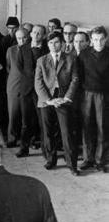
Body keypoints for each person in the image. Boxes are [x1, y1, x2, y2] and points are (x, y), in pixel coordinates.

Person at [35, 31, 80, 175]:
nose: (53, 46)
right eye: (50, 43)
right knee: (48, 132)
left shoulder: (71, 59)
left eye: (56, 42)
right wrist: (49, 100)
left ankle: (72, 164)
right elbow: (38, 82)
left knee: (67, 132)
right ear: (47, 44)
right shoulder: (41, 60)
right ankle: (50, 160)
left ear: (61, 43)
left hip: (64, 99)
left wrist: (66, 98)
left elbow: (75, 79)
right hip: (47, 100)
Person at [78, 26, 109, 172]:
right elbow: (78, 75)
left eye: (102, 39)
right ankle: (87, 159)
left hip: (104, 95)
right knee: (87, 127)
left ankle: (100, 160)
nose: (99, 42)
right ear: (91, 40)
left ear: (106, 39)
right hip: (87, 94)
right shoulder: (84, 54)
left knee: (102, 127)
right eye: (96, 39)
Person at [16, 24, 48, 157]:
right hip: (26, 90)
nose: (35, 35)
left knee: (43, 122)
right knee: (25, 122)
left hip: (42, 91)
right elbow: (20, 66)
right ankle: (24, 148)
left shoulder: (47, 49)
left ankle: (46, 151)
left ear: (44, 35)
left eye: (39, 33)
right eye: (34, 32)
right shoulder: (23, 48)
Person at [5, 27, 28, 146]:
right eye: (19, 38)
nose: (22, 40)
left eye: (24, 37)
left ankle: (26, 140)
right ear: (16, 38)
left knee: (27, 116)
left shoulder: (31, 49)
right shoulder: (11, 50)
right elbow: (8, 67)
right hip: (14, 85)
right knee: (13, 114)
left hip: (28, 86)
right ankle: (12, 138)